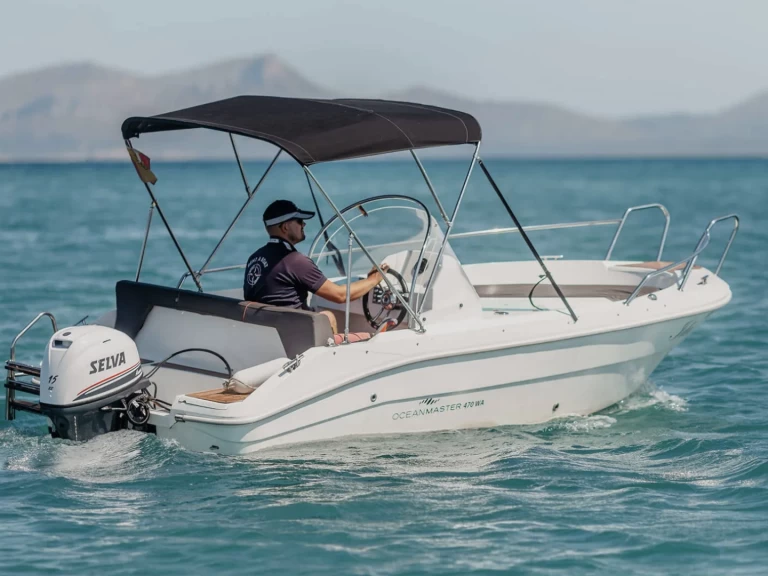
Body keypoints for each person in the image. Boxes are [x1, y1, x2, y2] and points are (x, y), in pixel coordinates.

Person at [243, 200, 389, 334]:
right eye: (299, 221)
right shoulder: (294, 261)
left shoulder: (254, 259)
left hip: (271, 333)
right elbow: (340, 295)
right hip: (297, 336)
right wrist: (374, 279)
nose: (304, 225)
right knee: (335, 320)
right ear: (285, 227)